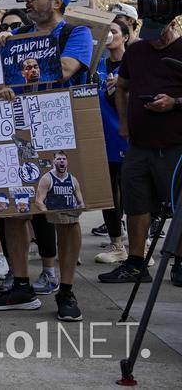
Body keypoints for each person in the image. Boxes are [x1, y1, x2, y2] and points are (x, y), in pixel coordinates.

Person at [0, 0, 93, 321]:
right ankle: (21, 285)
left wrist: (17, 56)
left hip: (58, 131)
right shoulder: (15, 38)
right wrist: (1, 65)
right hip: (19, 131)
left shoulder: (74, 34)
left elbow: (64, 70)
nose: (27, 0)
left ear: (57, 2)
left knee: (64, 215)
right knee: (15, 211)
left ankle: (66, 291)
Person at [99, 14, 182, 288]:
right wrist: (123, 123)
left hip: (174, 144)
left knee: (178, 205)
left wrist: (175, 102)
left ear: (173, 25)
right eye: (150, 34)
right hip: (139, 144)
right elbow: (122, 87)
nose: (155, 41)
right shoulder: (136, 51)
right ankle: (136, 262)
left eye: (160, 34)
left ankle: (180, 262)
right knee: (136, 203)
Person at [93, 19, 130, 261]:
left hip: (129, 137)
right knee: (109, 193)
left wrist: (124, 87)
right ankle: (116, 244)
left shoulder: (134, 64)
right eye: (106, 31)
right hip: (103, 138)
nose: (109, 36)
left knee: (132, 191)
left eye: (114, 31)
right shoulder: (98, 66)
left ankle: (142, 243)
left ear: (125, 37)